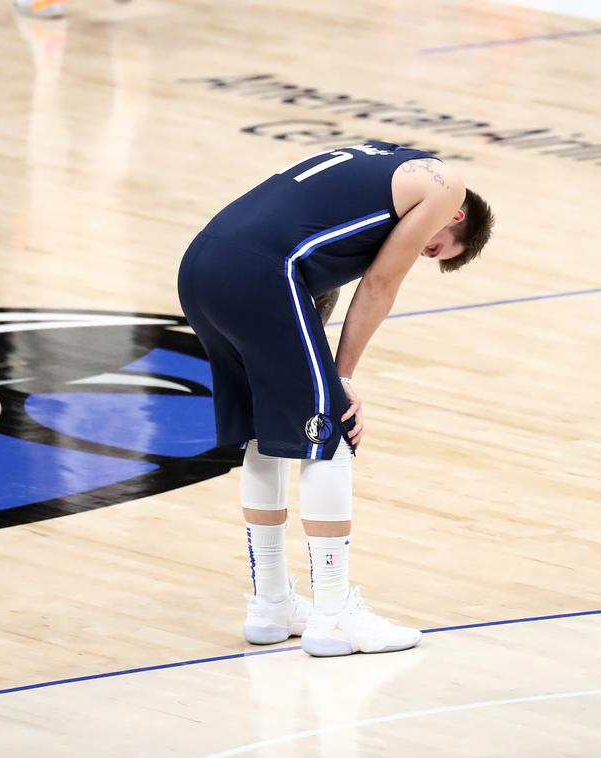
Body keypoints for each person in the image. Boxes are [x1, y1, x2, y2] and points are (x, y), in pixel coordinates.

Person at [177, 141, 493, 657]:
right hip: (262, 274)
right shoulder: (445, 185)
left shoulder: (382, 161)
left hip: (202, 265)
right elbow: (380, 283)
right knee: (333, 433)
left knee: (267, 433)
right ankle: (332, 614)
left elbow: (316, 260)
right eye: (433, 248)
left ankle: (271, 603)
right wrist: (339, 378)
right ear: (455, 215)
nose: (421, 251)